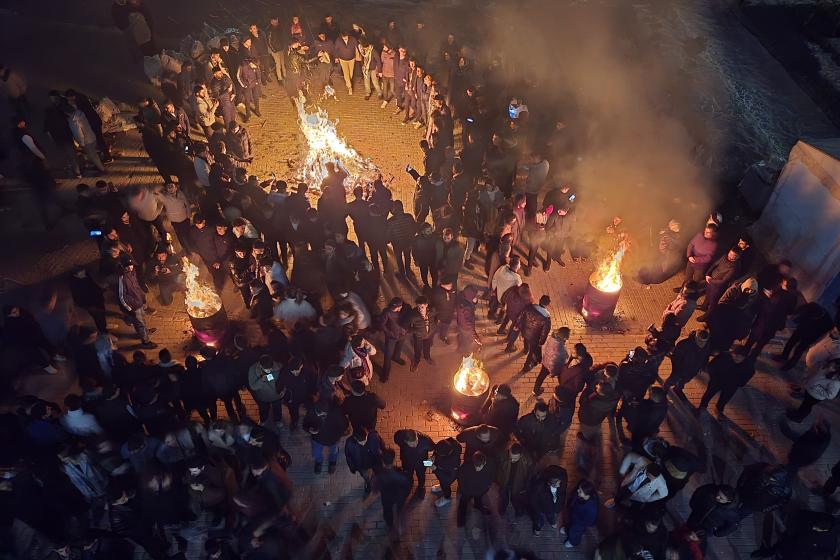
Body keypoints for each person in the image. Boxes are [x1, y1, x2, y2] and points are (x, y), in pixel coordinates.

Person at [698, 344, 756, 414]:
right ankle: (703, 405)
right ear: (732, 353)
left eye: (741, 357)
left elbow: (748, 375)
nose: (737, 358)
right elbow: (711, 365)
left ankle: (719, 409)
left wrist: (738, 383)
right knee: (709, 394)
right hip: (717, 381)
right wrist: (713, 376)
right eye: (735, 355)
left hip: (731, 386)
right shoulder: (724, 356)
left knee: (724, 398)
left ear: (745, 358)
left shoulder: (748, 366)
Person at [117, 258, 156, 348]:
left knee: (141, 319)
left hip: (139, 302)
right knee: (140, 323)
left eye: (131, 265)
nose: (131, 267)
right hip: (133, 305)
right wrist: (129, 309)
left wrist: (143, 297)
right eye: (128, 266)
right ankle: (145, 342)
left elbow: (137, 287)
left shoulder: (132, 273)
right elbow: (121, 296)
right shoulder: (122, 278)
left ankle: (144, 331)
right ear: (124, 267)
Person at [303, 398, 349, 474]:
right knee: (316, 453)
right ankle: (318, 462)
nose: (317, 414)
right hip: (317, 439)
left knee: (334, 452)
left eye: (319, 413)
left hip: (333, 439)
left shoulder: (337, 412)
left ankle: (332, 462)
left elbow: (344, 425)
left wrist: (338, 435)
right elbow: (305, 424)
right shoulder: (313, 411)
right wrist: (309, 430)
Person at [696, 246, 742, 320]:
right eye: (730, 254)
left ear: (738, 257)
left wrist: (710, 280)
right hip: (710, 280)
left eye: (733, 256)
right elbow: (715, 264)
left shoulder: (735, 267)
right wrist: (707, 274)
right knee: (708, 294)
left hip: (718, 286)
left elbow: (724, 280)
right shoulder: (724, 257)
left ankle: (707, 316)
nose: (730, 256)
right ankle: (703, 307)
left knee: (713, 302)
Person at [664, 329, 711, 399]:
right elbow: (675, 359)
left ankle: (678, 389)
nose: (702, 344)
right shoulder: (683, 344)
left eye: (704, 341)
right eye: (700, 341)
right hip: (680, 370)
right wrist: (676, 370)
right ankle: (664, 390)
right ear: (696, 337)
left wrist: (703, 365)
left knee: (684, 381)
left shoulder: (707, 345)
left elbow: (706, 356)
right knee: (672, 380)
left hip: (693, 370)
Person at [374, 448, 411, 530]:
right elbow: (407, 486)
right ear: (394, 460)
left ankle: (389, 522)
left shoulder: (379, 474)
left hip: (386, 497)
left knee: (387, 509)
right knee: (399, 508)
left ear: (383, 462)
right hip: (399, 496)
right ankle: (398, 519)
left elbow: (376, 488)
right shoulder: (400, 473)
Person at [393, 428, 434, 497]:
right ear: (405, 441)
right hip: (407, 462)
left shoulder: (426, 440)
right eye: (411, 444)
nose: (415, 445)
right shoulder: (399, 437)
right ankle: (409, 482)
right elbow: (396, 440)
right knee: (408, 474)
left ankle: (421, 487)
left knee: (421, 475)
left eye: (416, 441)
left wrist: (430, 461)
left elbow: (435, 449)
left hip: (421, 463)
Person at [529, 465, 568, 537]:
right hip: (541, 509)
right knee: (539, 519)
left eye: (559, 482)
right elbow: (533, 500)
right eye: (556, 484)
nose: (559, 485)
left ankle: (552, 522)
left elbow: (562, 495)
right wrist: (537, 511)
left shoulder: (562, 482)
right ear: (549, 483)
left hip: (552, 508)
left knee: (551, 516)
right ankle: (538, 528)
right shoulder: (539, 487)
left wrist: (559, 507)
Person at [345, 427, 384, 494]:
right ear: (355, 438)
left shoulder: (374, 435)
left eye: (365, 439)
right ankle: (368, 484)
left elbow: (381, 443)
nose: (364, 442)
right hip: (362, 465)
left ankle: (378, 481)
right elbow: (349, 457)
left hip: (375, 460)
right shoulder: (349, 443)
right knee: (366, 476)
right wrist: (352, 468)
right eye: (361, 441)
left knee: (378, 472)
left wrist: (384, 452)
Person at [533, 326, 570, 396]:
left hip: (546, 360)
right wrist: (553, 372)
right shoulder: (559, 346)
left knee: (541, 375)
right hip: (553, 365)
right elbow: (561, 357)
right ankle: (563, 392)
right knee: (562, 377)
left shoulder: (553, 337)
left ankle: (535, 390)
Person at [247, 354, 283, 425]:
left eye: (271, 368)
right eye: (267, 369)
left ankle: (278, 421)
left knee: (277, 409)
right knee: (263, 410)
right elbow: (253, 386)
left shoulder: (279, 367)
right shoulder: (252, 369)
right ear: (260, 365)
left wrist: (283, 390)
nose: (269, 370)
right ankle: (263, 421)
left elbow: (283, 380)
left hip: (276, 395)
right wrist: (262, 380)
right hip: (262, 396)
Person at [562, 480, 599, 549]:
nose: (577, 491)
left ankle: (573, 542)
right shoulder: (580, 495)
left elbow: (589, 521)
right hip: (573, 517)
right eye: (578, 488)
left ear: (587, 495)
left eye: (580, 491)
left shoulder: (592, 508)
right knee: (569, 525)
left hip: (579, 523)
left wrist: (578, 524)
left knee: (574, 532)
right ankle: (567, 529)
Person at [378, 297, 407, 382]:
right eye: (400, 306)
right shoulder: (386, 313)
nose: (401, 307)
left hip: (402, 334)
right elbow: (382, 325)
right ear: (396, 307)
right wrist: (389, 333)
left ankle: (396, 358)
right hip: (392, 337)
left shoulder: (402, 310)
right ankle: (385, 374)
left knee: (399, 348)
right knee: (387, 355)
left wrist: (405, 330)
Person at [430, 437, 461, 507]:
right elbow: (437, 451)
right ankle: (441, 486)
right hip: (441, 469)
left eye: (439, 454)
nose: (437, 454)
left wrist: (435, 469)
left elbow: (447, 479)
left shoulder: (453, 461)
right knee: (442, 482)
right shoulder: (446, 443)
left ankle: (447, 497)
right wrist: (434, 456)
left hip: (448, 474)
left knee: (445, 484)